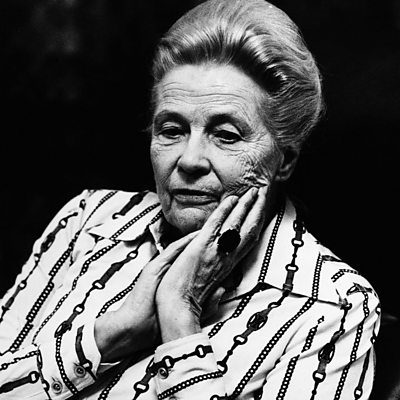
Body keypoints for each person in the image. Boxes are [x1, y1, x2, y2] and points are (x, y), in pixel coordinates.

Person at [0, 0, 381, 399]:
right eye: (171, 130)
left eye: (226, 135)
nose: (189, 160)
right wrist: (111, 335)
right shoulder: (90, 219)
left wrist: (180, 316)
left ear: (284, 160)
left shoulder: (334, 307)